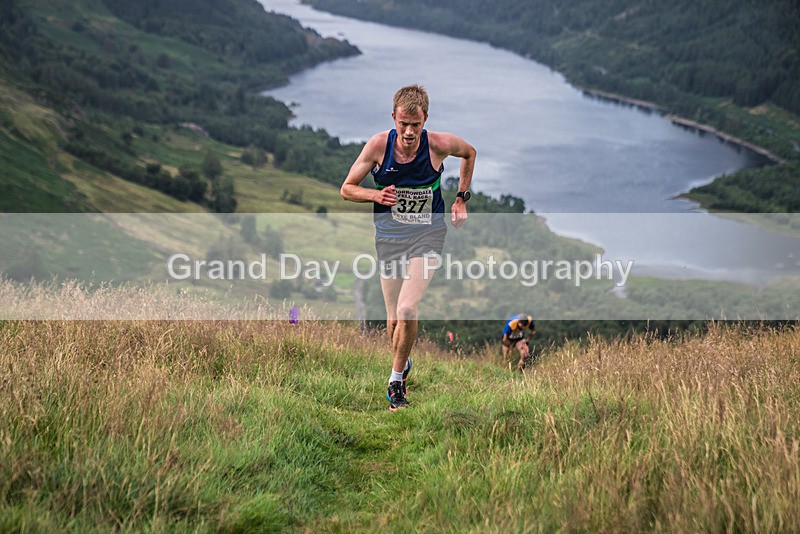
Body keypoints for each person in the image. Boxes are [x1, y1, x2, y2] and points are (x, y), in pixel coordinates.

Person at [341, 84, 476, 411]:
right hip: (389, 237)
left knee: (406, 309)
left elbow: (470, 153)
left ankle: (396, 382)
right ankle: (403, 361)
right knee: (392, 321)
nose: (409, 131)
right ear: (394, 118)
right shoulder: (377, 146)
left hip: (428, 234)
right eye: (403, 123)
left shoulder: (439, 145)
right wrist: (375, 195)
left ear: (425, 119)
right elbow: (346, 188)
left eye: (416, 124)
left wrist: (461, 199)